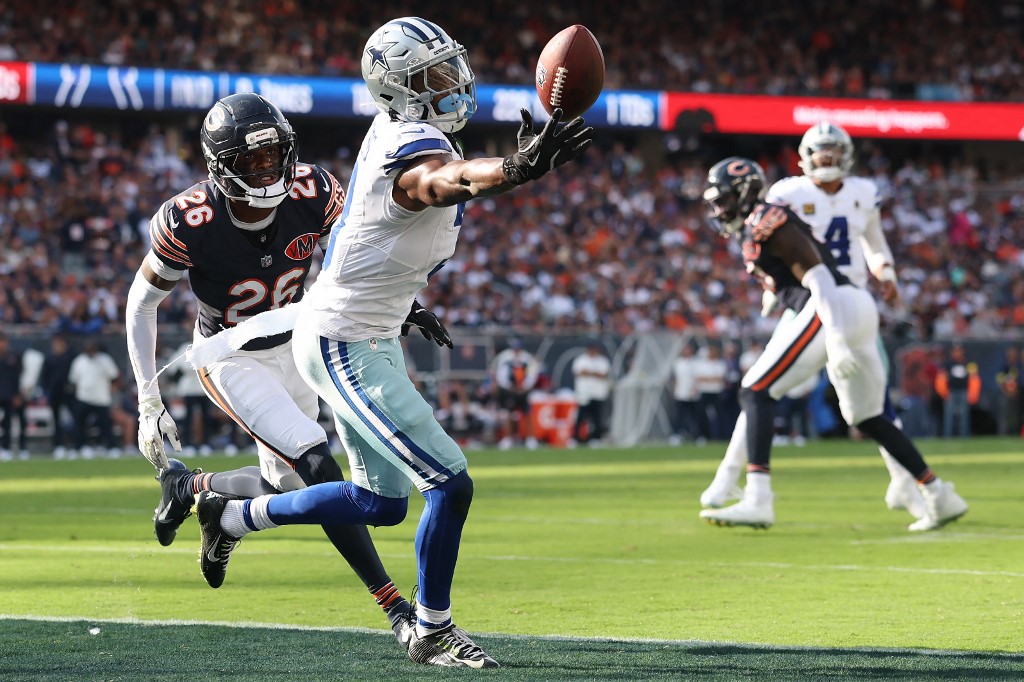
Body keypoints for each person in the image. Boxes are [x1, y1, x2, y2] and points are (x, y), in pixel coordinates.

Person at [191, 16, 592, 669]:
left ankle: (231, 517)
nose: (450, 82)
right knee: (450, 484)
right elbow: (441, 181)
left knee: (379, 504)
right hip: (345, 339)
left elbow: (379, 239)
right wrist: (515, 168)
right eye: (430, 76)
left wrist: (406, 306)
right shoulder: (410, 143)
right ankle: (432, 630)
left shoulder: (416, 132)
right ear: (396, 90)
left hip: (364, 329)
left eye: (448, 66)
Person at [124, 92, 452, 650]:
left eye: (275, 155)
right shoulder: (191, 219)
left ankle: (203, 494)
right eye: (252, 161)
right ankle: (396, 608)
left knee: (288, 486)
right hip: (231, 357)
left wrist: (404, 305)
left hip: (302, 343)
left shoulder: (314, 189)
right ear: (222, 166)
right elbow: (140, 302)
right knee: (321, 466)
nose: (268, 169)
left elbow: (360, 252)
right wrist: (148, 401)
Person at [696, 157, 967, 532]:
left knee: (755, 391)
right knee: (868, 417)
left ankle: (758, 498)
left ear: (743, 193)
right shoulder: (759, 223)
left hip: (832, 306)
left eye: (723, 199)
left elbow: (819, 276)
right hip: (854, 306)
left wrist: (836, 338)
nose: (718, 209)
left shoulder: (767, 219)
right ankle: (939, 494)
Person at [68, 339, 121, 458]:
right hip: (83, 397)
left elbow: (114, 376)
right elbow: (73, 380)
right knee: (80, 424)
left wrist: (113, 390)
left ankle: (111, 447)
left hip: (101, 398)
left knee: (106, 424)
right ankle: (79, 447)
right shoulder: (79, 361)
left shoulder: (105, 360)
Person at [493, 339, 542, 449]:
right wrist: (509, 387)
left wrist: (525, 386)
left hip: (523, 391)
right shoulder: (505, 357)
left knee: (527, 414)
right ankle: (508, 438)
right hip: (510, 391)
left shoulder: (527, 358)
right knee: (508, 414)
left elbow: (532, 374)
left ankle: (531, 439)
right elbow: (501, 375)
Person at [40, 334, 77, 459]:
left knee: (74, 419)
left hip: (69, 392)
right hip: (55, 392)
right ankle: (59, 445)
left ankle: (75, 445)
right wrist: (45, 391)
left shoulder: (71, 357)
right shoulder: (49, 358)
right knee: (56, 420)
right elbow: (45, 376)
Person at [570, 340, 612, 446]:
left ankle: (595, 438)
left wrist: (589, 372)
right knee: (580, 417)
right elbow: (579, 372)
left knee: (596, 418)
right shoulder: (581, 360)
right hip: (584, 394)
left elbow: (603, 374)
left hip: (598, 393)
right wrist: (594, 373)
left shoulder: (602, 361)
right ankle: (575, 438)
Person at [934, 344, 980, 438]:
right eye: (955, 351)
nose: (957, 353)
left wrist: (972, 394)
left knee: (964, 417)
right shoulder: (948, 364)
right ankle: (948, 437)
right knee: (949, 417)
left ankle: (964, 437)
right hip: (951, 392)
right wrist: (945, 393)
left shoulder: (968, 364)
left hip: (964, 392)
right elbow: (941, 379)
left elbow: (974, 379)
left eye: (959, 351)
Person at [669, 342, 704, 445]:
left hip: (693, 394)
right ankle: (676, 435)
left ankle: (698, 436)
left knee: (695, 416)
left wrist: (695, 388)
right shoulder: (678, 362)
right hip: (681, 393)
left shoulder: (696, 362)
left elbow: (698, 378)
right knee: (678, 416)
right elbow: (676, 378)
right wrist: (675, 390)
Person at [0, 333, 28, 461]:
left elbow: (18, 377)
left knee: (10, 423)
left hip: (10, 396)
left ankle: (8, 448)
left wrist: (17, 394)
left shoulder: (14, 357)